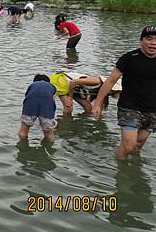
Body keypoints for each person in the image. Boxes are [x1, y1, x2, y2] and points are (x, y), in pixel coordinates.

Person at [92, 25, 156, 159]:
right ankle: (120, 171)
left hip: (152, 109)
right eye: (149, 39)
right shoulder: (129, 58)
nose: (153, 43)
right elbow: (110, 81)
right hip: (130, 106)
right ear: (141, 41)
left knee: (138, 144)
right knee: (128, 145)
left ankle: (132, 171)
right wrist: (98, 103)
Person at [49, 71, 121, 114]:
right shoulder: (97, 81)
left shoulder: (105, 92)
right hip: (62, 82)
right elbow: (73, 82)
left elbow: (99, 105)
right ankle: (65, 125)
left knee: (89, 109)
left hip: (76, 88)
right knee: (68, 107)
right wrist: (70, 97)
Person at [19, 74, 57, 142]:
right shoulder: (52, 86)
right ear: (48, 82)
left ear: (34, 81)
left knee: (23, 130)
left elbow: (27, 97)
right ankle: (49, 149)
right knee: (49, 132)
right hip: (47, 106)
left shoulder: (32, 85)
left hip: (30, 105)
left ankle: (23, 148)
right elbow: (52, 100)